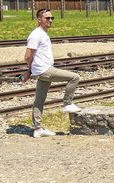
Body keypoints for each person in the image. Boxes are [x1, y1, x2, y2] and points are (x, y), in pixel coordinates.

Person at [23, 8, 82, 137]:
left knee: (39, 99)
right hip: (44, 70)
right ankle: (67, 104)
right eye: (47, 18)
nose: (50, 20)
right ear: (39, 19)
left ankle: (38, 129)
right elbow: (28, 56)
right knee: (74, 77)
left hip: (42, 69)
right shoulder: (36, 34)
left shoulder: (43, 34)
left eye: (52, 18)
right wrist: (33, 69)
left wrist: (30, 71)